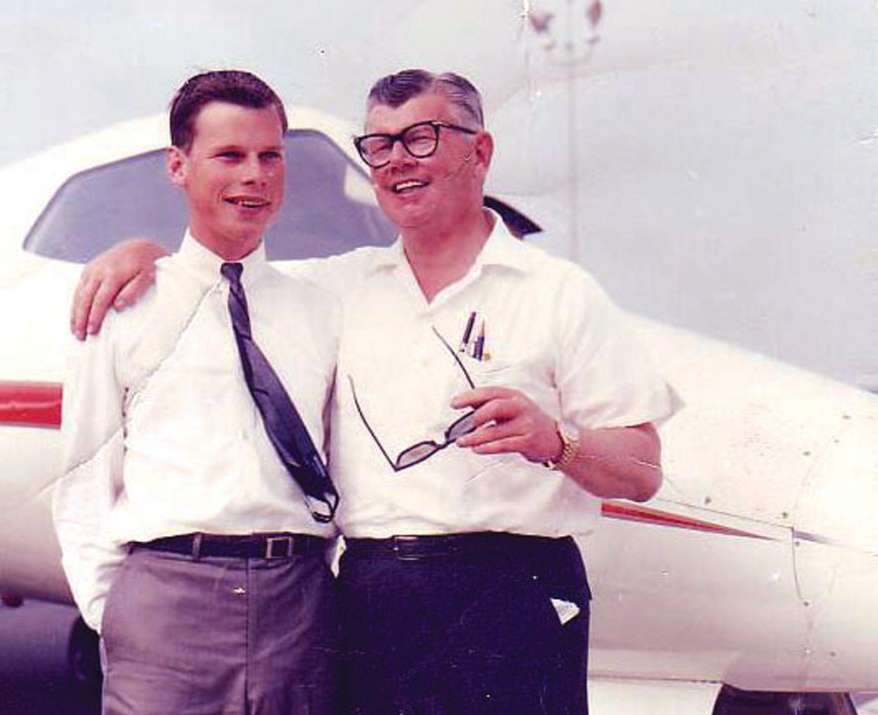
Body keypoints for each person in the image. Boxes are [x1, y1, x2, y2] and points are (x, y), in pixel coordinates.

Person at [70, 69, 678, 715]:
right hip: (374, 602)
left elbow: (642, 471)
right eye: (380, 145)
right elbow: (228, 273)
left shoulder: (558, 292)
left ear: (480, 151)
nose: (397, 161)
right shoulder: (337, 289)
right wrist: (142, 254)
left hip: (514, 594)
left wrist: (556, 442)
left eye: (422, 137)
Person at [53, 70, 340, 715]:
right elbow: (83, 477)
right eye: (229, 156)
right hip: (165, 606)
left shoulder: (323, 307)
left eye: (270, 156)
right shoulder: (123, 305)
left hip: (298, 607)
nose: (255, 176)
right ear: (178, 166)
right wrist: (113, 612)